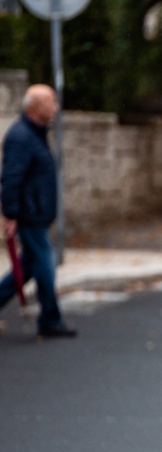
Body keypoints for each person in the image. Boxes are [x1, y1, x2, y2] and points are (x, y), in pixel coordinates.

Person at [0, 84, 75, 338]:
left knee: (29, 267)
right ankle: (50, 318)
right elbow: (11, 178)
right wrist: (10, 214)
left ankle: (50, 318)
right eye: (51, 102)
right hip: (29, 215)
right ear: (35, 106)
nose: (56, 107)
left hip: (36, 212)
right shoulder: (21, 137)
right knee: (45, 263)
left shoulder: (35, 134)